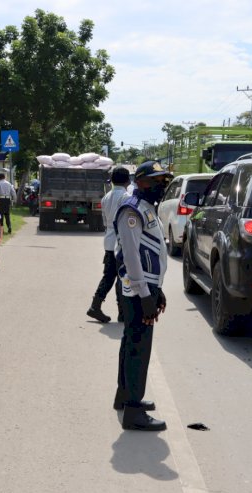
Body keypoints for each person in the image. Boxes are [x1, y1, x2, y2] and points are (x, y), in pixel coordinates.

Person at [113, 160, 172, 431]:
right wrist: (145, 294)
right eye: (157, 181)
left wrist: (156, 290)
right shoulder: (132, 211)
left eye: (163, 181)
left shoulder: (147, 208)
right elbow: (131, 255)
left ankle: (126, 396)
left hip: (145, 288)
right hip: (138, 290)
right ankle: (133, 411)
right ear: (142, 182)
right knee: (138, 347)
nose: (162, 186)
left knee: (132, 341)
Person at [87, 166, 132, 323]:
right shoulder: (127, 197)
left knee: (109, 276)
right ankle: (122, 311)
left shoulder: (106, 197)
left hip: (109, 241)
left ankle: (96, 305)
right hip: (121, 243)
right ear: (128, 180)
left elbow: (105, 221)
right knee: (122, 277)